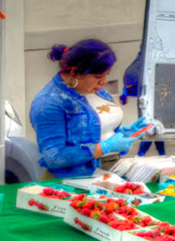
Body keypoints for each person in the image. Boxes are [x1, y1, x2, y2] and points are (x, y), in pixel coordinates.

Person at [30, 39, 132, 180]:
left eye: (106, 75)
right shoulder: (48, 102)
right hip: (72, 182)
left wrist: (124, 133)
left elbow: (100, 127)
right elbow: (54, 157)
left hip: (108, 173)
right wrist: (104, 148)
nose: (104, 82)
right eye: (98, 76)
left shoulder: (97, 91)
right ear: (75, 72)